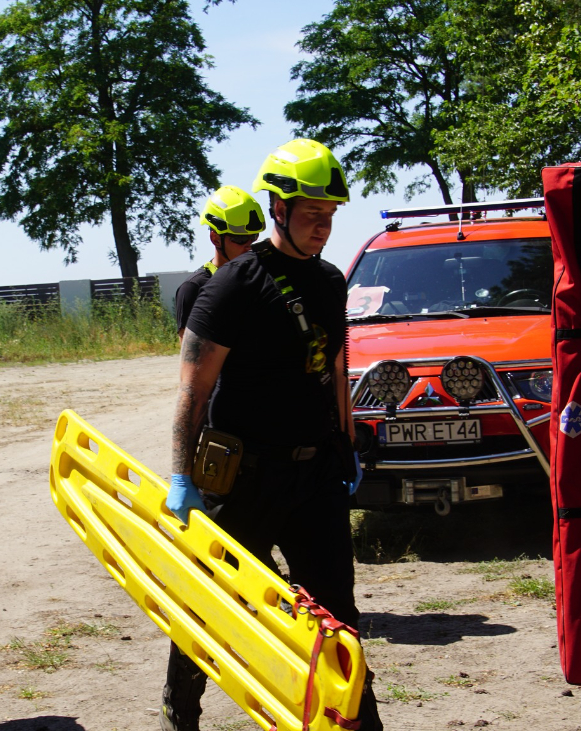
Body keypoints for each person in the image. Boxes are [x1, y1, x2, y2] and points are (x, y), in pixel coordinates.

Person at [160, 139, 381, 731]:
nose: (323, 227)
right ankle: (180, 709)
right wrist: (181, 476)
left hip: (316, 476)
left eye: (330, 215)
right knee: (211, 603)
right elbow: (192, 391)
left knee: (339, 617)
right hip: (245, 479)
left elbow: (335, 367)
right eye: (312, 213)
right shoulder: (232, 285)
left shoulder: (330, 281)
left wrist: (346, 442)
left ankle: (359, 723)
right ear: (279, 209)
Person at [174, 185, 266, 337]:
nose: (249, 245)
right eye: (240, 238)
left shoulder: (261, 279)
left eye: (253, 237)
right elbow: (188, 349)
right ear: (215, 238)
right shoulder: (193, 288)